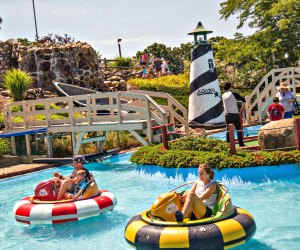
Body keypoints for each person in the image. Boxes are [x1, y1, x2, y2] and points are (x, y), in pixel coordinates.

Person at [222, 82, 246, 147]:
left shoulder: (223, 95)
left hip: (227, 114)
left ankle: (228, 144)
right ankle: (241, 143)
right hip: (234, 114)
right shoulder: (233, 94)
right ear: (230, 87)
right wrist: (242, 108)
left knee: (228, 129)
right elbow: (243, 100)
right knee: (238, 129)